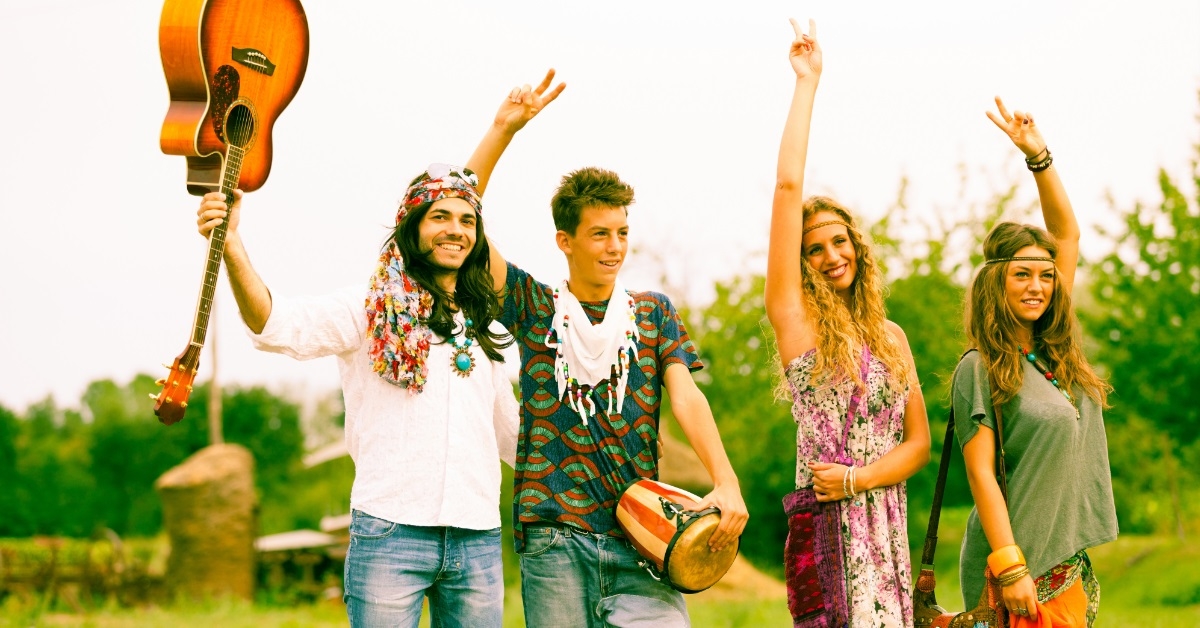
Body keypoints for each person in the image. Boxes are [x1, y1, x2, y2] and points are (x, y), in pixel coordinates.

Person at [192, 71, 563, 628]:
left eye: (468, 221)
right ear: (412, 227)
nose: (456, 230)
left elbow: (513, 437)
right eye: (440, 217)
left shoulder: (482, 323)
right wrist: (234, 245)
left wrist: (598, 466)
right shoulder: (368, 309)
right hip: (390, 534)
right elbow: (275, 324)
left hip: (477, 538)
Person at [460, 74, 749, 628]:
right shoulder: (534, 306)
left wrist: (726, 479)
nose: (615, 247)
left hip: (644, 533)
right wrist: (502, 131)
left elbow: (687, 399)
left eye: (622, 232)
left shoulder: (653, 313)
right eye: (599, 234)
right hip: (554, 538)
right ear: (564, 241)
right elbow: (462, 219)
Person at [764, 19, 931, 627]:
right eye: (814, 248)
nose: (832, 255)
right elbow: (788, 187)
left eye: (839, 241)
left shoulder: (892, 337)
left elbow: (918, 444)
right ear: (800, 262)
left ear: (857, 245)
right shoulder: (795, 321)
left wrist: (860, 479)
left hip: (884, 520)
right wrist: (807, 84)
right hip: (829, 524)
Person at [953, 97, 1117, 627]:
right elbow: (980, 474)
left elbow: (1065, 235)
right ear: (995, 282)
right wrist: (1010, 567)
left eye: (1046, 275)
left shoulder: (1053, 354)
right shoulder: (979, 367)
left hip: (1064, 568)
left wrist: (1038, 156)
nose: (1037, 286)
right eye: (1021, 274)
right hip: (1012, 572)